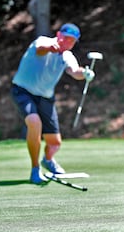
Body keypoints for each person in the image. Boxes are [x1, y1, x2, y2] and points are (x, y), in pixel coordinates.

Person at [11, 23, 95, 184]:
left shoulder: (67, 56)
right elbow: (41, 48)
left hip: (45, 97)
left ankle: (47, 160)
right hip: (22, 90)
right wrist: (52, 47)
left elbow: (74, 71)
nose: (67, 42)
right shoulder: (43, 41)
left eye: (72, 41)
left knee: (54, 143)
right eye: (65, 38)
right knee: (34, 122)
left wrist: (84, 73)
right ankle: (35, 170)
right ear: (58, 34)